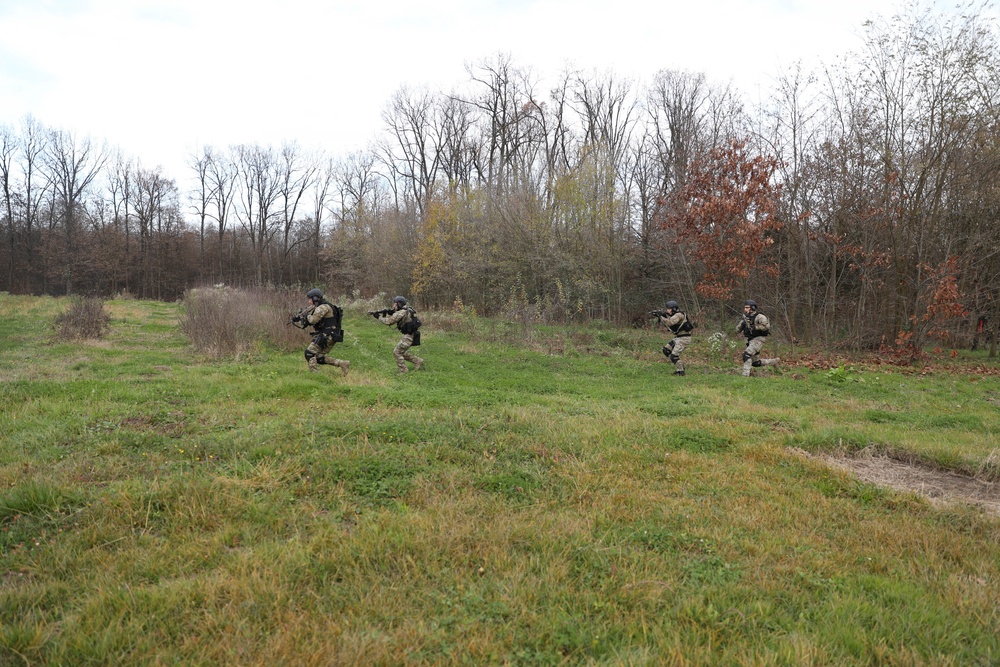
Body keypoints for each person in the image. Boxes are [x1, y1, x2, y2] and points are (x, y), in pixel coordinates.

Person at [293, 288, 349, 376]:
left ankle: (315, 375)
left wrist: (306, 316)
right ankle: (342, 363)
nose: (309, 301)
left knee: (309, 353)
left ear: (315, 298)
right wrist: (299, 318)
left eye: (310, 299)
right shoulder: (321, 306)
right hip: (330, 334)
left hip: (327, 335)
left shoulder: (323, 307)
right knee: (318, 358)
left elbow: (313, 320)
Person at [368, 295, 424, 373]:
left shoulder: (401, 312)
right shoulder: (407, 309)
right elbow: (397, 314)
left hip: (409, 335)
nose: (394, 305)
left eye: (395, 304)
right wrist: (390, 312)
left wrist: (378, 317)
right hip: (412, 334)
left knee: (396, 352)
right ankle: (418, 361)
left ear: (399, 304)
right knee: (401, 352)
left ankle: (403, 370)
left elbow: (389, 322)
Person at [737, 299, 780, 377]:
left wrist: (755, 327)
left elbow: (766, 326)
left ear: (752, 307)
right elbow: (737, 330)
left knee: (746, 355)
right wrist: (742, 324)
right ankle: (774, 362)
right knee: (755, 363)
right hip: (748, 340)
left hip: (758, 339)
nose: (745, 309)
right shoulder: (745, 318)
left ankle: (745, 375)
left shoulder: (760, 317)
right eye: (745, 307)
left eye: (747, 307)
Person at [654, 300, 693, 376]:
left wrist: (661, 316)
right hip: (678, 338)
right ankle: (679, 367)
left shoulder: (679, 315)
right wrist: (662, 315)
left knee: (674, 356)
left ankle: (681, 372)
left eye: (669, 309)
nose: (667, 310)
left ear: (674, 309)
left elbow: (670, 322)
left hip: (684, 339)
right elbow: (670, 320)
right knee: (666, 350)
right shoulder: (676, 315)